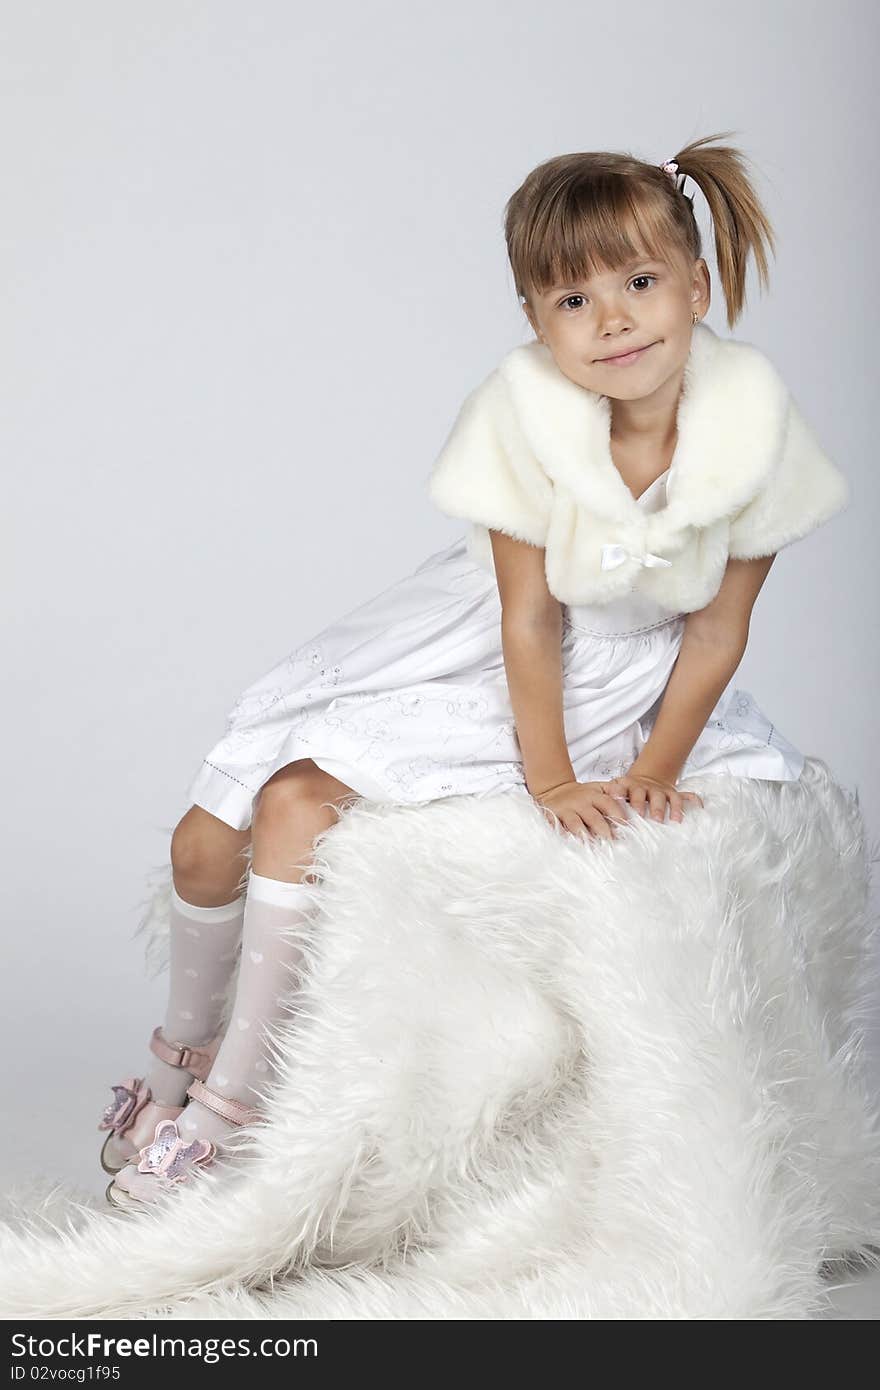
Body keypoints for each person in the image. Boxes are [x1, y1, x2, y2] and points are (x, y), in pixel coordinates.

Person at [101, 131, 849, 1207]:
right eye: (571, 302)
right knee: (214, 826)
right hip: (493, 645)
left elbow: (718, 632)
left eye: (639, 282)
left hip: (627, 673)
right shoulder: (525, 412)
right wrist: (546, 778)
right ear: (535, 324)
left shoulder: (750, 429)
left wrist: (658, 764)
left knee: (296, 803)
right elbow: (528, 620)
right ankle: (178, 1057)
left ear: (694, 281)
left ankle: (234, 1105)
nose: (612, 320)